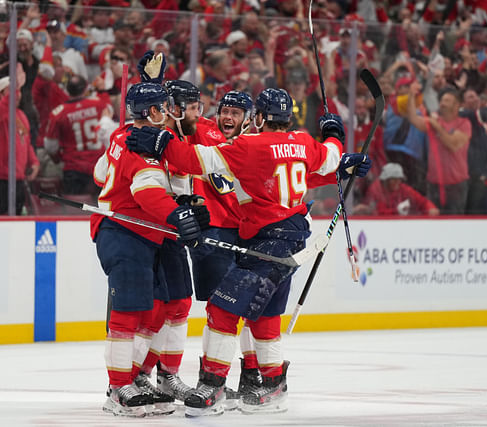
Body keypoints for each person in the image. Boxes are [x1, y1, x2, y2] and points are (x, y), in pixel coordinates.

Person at [124, 87, 371, 416]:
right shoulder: (304, 142)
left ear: (257, 118)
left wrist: (160, 144)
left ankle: (212, 385)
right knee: (266, 316)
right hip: (292, 235)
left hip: (270, 241)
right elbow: (329, 157)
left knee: (222, 309)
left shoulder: (250, 145)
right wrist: (334, 134)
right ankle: (272, 384)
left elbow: (192, 160)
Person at [91, 82, 207, 417]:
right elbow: (146, 192)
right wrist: (176, 214)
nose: (172, 110)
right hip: (125, 229)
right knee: (131, 311)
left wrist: (185, 204)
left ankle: (157, 376)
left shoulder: (137, 134)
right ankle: (118, 387)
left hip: (154, 231)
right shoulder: (141, 145)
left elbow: (101, 174)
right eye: (165, 105)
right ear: (153, 112)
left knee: (174, 303)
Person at [188, 90, 264, 409]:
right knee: (221, 307)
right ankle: (212, 379)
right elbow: (180, 118)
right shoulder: (205, 131)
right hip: (214, 230)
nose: (228, 117)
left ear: (248, 119)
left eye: (236, 113)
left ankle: (251, 374)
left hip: (249, 232)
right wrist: (155, 86)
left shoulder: (259, 146)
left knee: (248, 307)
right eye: (225, 111)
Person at [407, 85, 471, 214]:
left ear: (456, 105)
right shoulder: (434, 122)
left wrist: (437, 127)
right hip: (434, 183)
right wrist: (410, 97)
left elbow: (453, 145)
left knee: (454, 223)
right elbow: (413, 119)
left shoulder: (464, 124)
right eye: (441, 100)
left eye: (447, 101)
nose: (442, 103)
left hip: (456, 185)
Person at [44, 75, 112, 196]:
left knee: (75, 209)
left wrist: (57, 159)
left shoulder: (58, 113)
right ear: (85, 88)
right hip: (99, 167)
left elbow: (50, 146)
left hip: (73, 169)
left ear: (67, 90)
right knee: (101, 210)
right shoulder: (99, 104)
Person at [0, 76, 40, 215]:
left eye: (18, 91)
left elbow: (27, 143)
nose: (17, 94)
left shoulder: (21, 115)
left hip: (18, 179)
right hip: (2, 179)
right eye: (10, 90)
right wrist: (16, 85)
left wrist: (34, 162)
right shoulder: (1, 112)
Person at [354, 162, 439, 216]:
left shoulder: (403, 189)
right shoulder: (376, 190)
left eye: (399, 179)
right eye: (393, 179)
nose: (397, 182)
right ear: (385, 180)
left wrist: (430, 208)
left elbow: (422, 201)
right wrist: (397, 211)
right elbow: (375, 211)